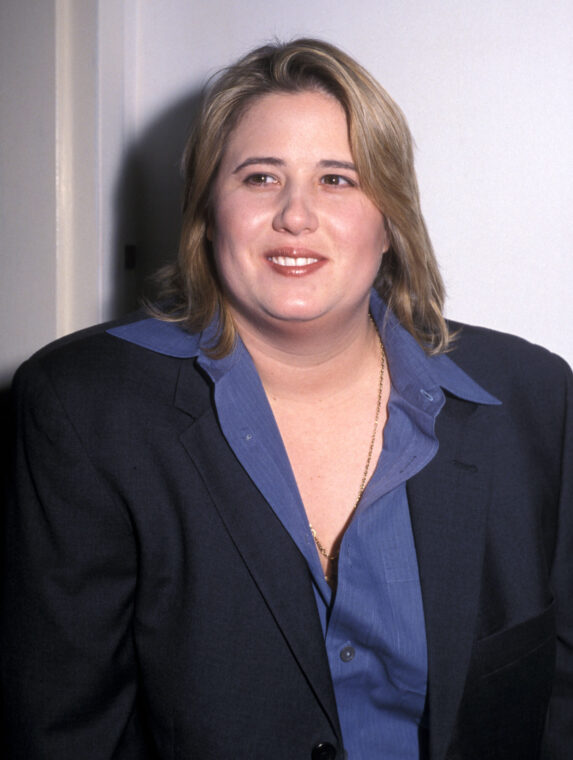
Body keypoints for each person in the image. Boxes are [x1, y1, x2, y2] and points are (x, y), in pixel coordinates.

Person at [1, 38, 571, 760]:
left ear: (390, 219)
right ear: (209, 210)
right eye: (260, 177)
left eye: (337, 179)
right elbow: (63, 731)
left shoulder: (530, 398)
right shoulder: (82, 410)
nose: (295, 216)